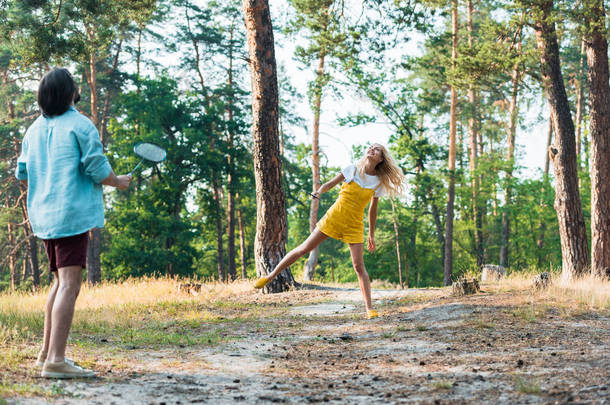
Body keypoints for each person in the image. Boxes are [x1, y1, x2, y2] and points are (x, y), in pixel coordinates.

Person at [15, 67, 132, 379]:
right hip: (71, 215)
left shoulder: (34, 129)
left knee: (58, 282)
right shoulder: (81, 125)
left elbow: (22, 172)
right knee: (69, 284)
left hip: (43, 216)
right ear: (70, 93)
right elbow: (97, 169)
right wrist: (119, 181)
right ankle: (56, 359)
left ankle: (45, 354)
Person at [254, 143, 405, 319]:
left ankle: (369, 308)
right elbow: (330, 184)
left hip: (354, 225)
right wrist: (319, 191)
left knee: (358, 266)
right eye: (370, 147)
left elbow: (373, 209)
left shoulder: (378, 182)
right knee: (304, 248)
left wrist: (371, 234)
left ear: (381, 159)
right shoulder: (352, 170)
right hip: (334, 218)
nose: (371, 149)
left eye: (376, 149)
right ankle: (270, 276)